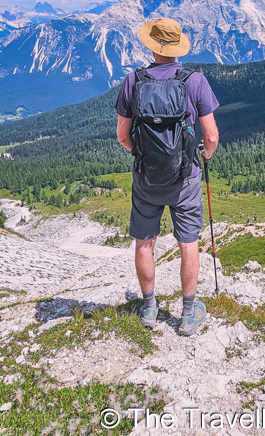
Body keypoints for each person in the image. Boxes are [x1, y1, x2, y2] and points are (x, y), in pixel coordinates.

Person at [114, 17, 219, 336]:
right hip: (185, 177)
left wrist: (141, 154)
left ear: (152, 46)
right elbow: (211, 135)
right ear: (177, 48)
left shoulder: (134, 80)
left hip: (146, 177)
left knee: (145, 241)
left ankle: (148, 308)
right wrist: (204, 154)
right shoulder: (195, 80)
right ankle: (188, 313)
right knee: (188, 242)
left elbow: (122, 135)